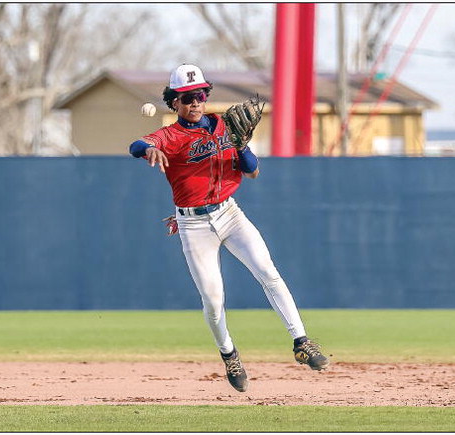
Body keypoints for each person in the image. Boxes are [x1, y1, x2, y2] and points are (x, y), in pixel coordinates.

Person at [129, 64, 328, 392]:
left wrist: (242, 145)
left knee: (269, 272)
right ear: (174, 102)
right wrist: (148, 149)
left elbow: (252, 172)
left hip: (229, 213)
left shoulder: (225, 127)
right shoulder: (169, 136)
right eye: (187, 97)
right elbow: (136, 145)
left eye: (201, 95)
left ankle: (302, 342)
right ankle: (229, 354)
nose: (195, 102)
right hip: (193, 224)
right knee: (213, 297)